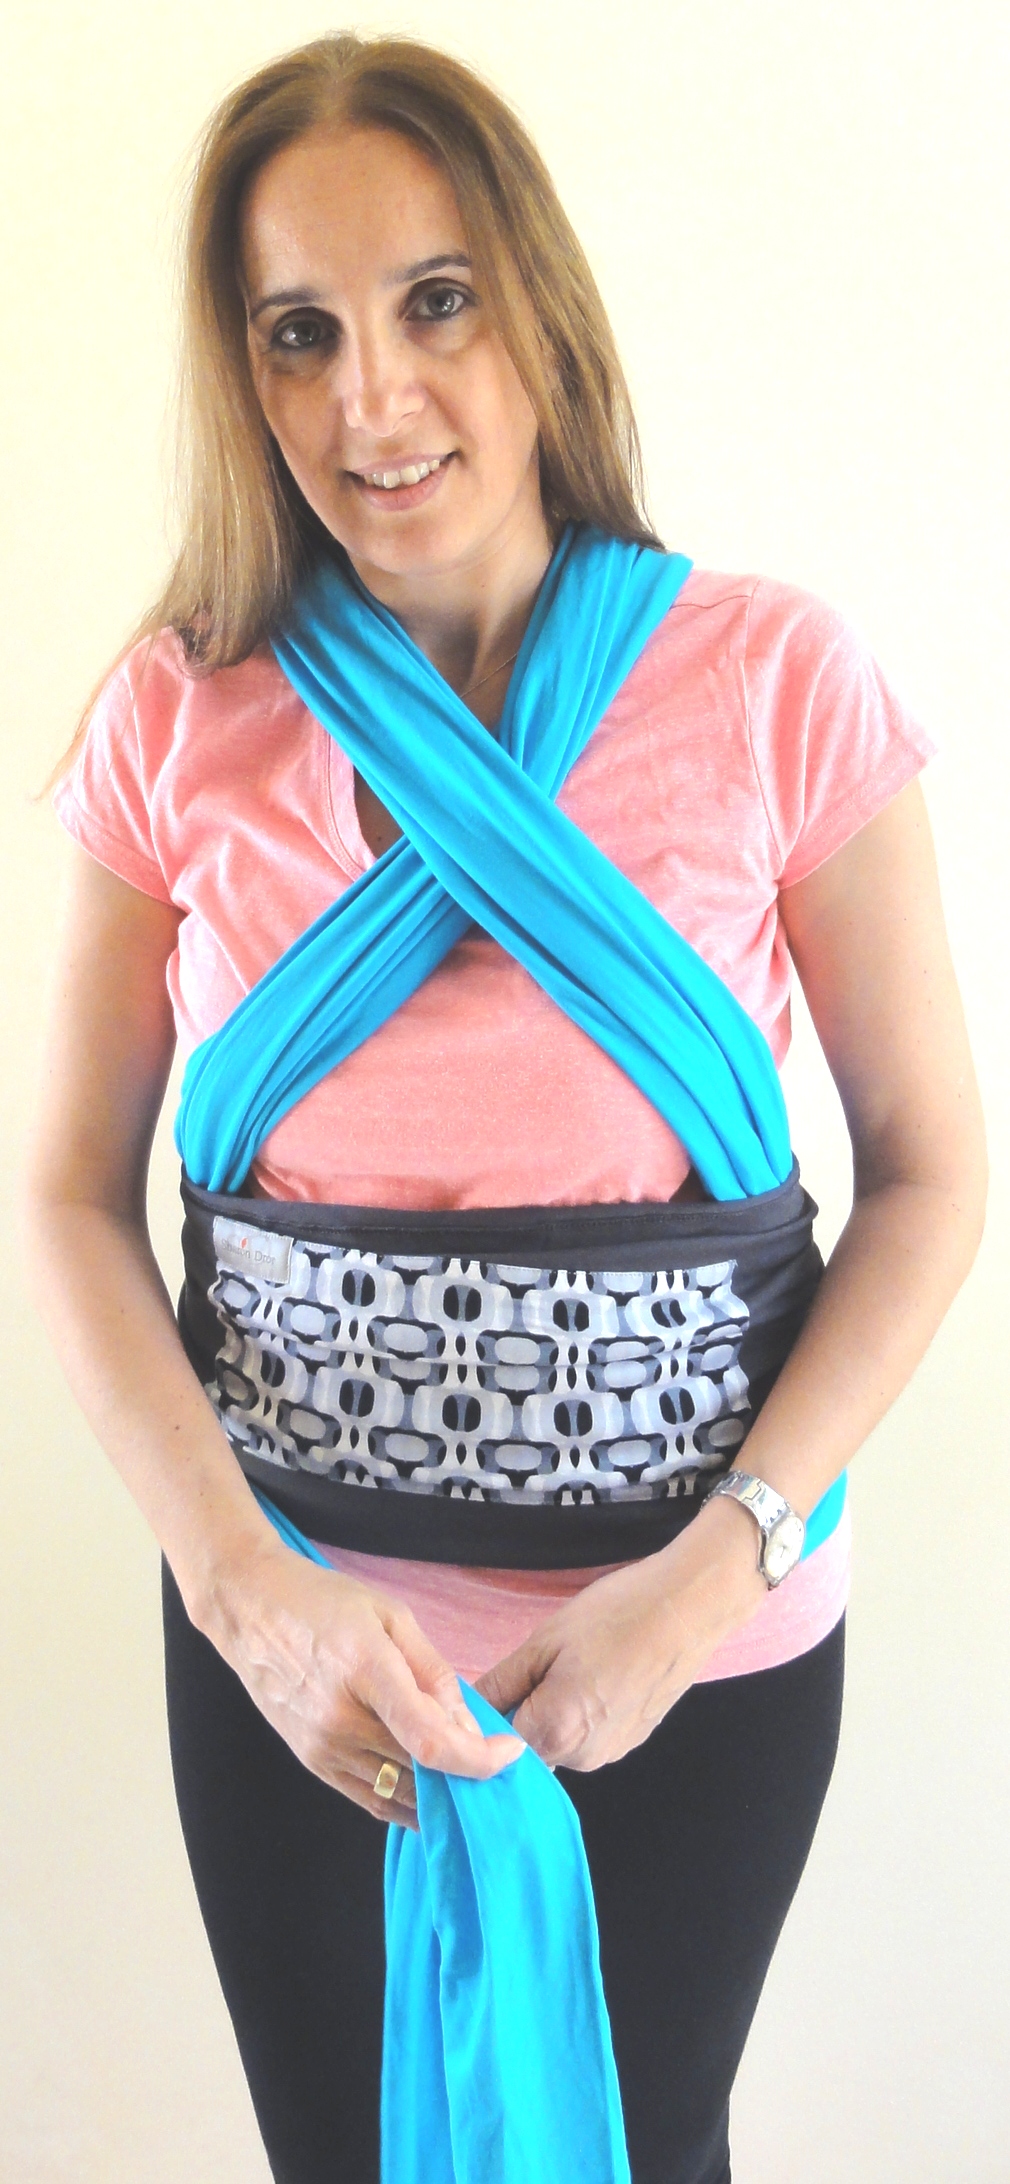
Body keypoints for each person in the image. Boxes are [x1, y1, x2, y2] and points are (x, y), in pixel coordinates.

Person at [25, 31, 986, 2184]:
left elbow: (932, 1176)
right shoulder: (177, 716)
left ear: (538, 302)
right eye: (298, 331)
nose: (372, 398)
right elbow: (67, 1198)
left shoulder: (776, 682)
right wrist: (242, 1592)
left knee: (651, 2147)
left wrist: (709, 1577)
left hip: (695, 1620)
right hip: (299, 1644)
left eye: (434, 300)